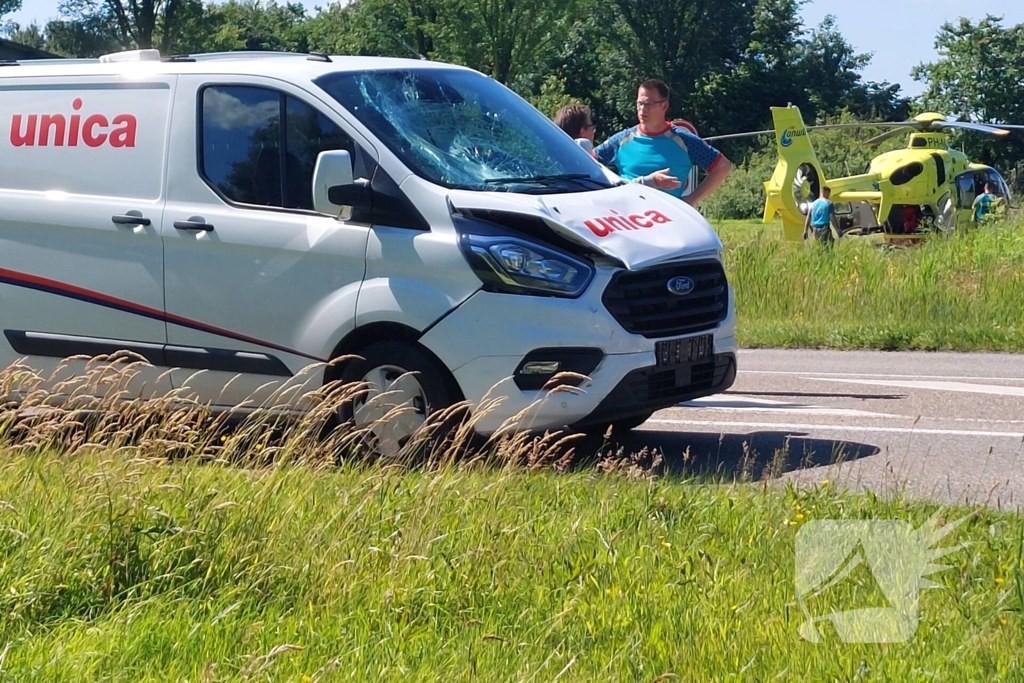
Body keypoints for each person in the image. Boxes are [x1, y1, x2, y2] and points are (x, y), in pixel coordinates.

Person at [593, 79, 732, 205]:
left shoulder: (684, 141)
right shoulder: (621, 140)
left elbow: (722, 167)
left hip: (667, 223)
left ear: (664, 106)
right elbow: (587, 162)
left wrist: (691, 200)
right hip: (627, 221)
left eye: (648, 104)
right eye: (639, 104)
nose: (642, 109)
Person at [553, 103, 680, 191]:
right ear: (582, 133)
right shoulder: (584, 170)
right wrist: (653, 181)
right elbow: (614, 189)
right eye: (592, 128)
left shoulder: (549, 167)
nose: (594, 132)